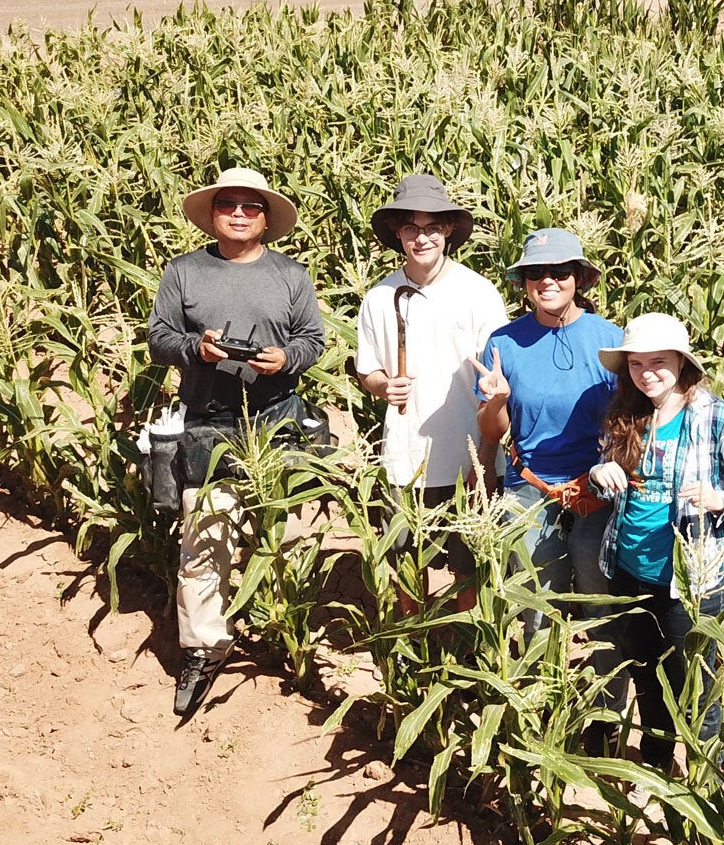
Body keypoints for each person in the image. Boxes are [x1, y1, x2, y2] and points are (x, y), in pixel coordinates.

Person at [146, 167, 325, 716]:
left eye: (252, 206)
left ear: (267, 219)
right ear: (214, 213)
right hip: (209, 424)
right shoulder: (184, 272)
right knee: (204, 541)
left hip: (276, 419)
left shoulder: (291, 275)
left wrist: (284, 359)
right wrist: (197, 349)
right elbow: (158, 337)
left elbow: (313, 341)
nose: (240, 213)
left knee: (286, 536)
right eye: (230, 205)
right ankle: (203, 647)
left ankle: (291, 637)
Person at [588, 313, 724, 772]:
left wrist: (718, 498)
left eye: (659, 362)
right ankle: (657, 767)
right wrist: (599, 473)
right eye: (636, 363)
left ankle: (708, 779)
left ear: (682, 363)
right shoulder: (625, 414)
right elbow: (608, 475)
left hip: (690, 581)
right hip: (627, 569)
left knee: (697, 686)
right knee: (648, 679)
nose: (647, 373)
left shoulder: (717, 417)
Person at [354, 174, 507, 594]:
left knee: (468, 565)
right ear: (397, 233)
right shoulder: (379, 298)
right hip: (406, 455)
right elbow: (367, 370)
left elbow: (496, 375)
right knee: (406, 561)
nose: (422, 238)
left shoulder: (478, 293)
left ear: (449, 231)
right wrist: (383, 386)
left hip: (468, 454)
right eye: (411, 228)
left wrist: (490, 445)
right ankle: (413, 652)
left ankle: (465, 648)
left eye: (432, 228)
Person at [470, 229, 623, 623]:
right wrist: (499, 400)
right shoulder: (504, 343)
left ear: (579, 278)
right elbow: (492, 430)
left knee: (601, 608)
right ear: (524, 283)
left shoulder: (610, 340)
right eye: (536, 272)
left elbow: (632, 421)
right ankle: (540, 684)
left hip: (597, 492)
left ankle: (609, 683)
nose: (548, 280)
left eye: (560, 271)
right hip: (529, 491)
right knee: (534, 611)